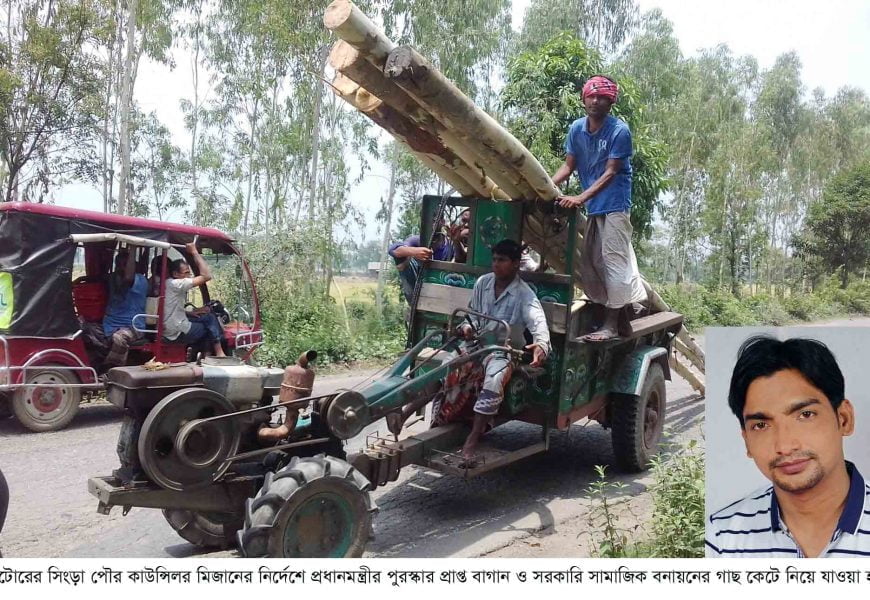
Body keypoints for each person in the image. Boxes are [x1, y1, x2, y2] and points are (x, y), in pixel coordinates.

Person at [706, 336, 870, 558]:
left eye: (805, 415)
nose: (784, 446)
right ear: (746, 441)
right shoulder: (719, 538)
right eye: (761, 425)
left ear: (843, 419)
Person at [551, 75, 646, 341]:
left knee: (614, 262)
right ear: (583, 99)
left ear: (610, 102)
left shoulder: (619, 131)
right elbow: (568, 166)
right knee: (593, 262)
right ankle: (623, 319)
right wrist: (547, 186)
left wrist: (579, 198)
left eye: (601, 97)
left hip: (615, 204)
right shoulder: (576, 129)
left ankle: (612, 325)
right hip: (594, 206)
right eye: (591, 96)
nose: (595, 101)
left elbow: (610, 173)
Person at [457, 239, 551, 463]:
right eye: (494, 259)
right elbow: (470, 315)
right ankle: (404, 413)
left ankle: (472, 440)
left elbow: (538, 323)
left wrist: (541, 346)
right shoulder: (483, 283)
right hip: (477, 345)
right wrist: (467, 327)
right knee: (445, 365)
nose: (496, 264)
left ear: (516, 263)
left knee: (494, 379)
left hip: (503, 352)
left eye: (502, 260)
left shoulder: (524, 294)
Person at [163, 243, 226, 358]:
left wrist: (190, 312)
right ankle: (216, 353)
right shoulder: (176, 284)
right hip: (176, 331)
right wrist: (194, 252)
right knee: (210, 323)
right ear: (175, 274)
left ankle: (202, 354)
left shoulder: (167, 284)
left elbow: (169, 308)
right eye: (186, 273)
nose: (189, 276)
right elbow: (207, 276)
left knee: (206, 319)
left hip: (170, 326)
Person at [102, 248, 148, 369]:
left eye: (125, 265)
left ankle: (112, 370)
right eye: (119, 265)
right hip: (110, 325)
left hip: (133, 327)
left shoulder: (139, 280)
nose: (121, 268)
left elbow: (128, 278)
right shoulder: (114, 278)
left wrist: (132, 248)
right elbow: (99, 278)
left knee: (119, 338)